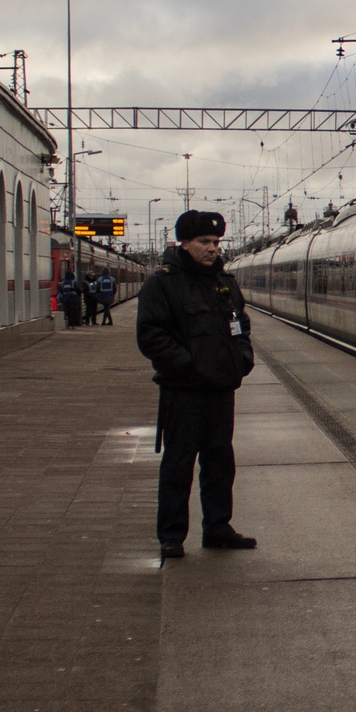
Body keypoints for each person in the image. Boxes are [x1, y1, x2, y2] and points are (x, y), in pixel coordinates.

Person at [136, 210, 256, 559]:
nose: (212, 249)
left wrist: (242, 358)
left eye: (216, 242)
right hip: (183, 391)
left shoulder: (224, 283)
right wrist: (188, 366)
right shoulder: (163, 283)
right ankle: (172, 535)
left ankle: (218, 528)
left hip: (221, 389)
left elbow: (241, 326)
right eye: (204, 242)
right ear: (184, 243)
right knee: (179, 463)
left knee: (220, 462)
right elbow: (151, 336)